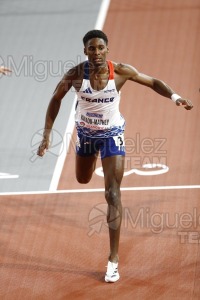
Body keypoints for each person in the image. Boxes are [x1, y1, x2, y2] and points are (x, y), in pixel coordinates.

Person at [37, 30, 193, 283]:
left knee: (112, 193)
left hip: (112, 134)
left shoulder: (121, 71)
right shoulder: (76, 75)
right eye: (91, 48)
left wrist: (175, 97)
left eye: (100, 48)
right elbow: (55, 99)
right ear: (85, 51)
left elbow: (153, 81)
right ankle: (88, 140)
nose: (96, 53)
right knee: (82, 179)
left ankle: (113, 260)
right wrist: (47, 135)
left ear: (107, 50)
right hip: (86, 134)